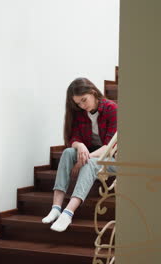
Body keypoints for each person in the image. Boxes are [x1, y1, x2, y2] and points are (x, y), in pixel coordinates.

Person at [42, 77, 117, 232]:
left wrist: (82, 160)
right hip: (92, 153)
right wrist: (80, 145)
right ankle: (56, 207)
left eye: (84, 100)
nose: (83, 106)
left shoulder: (111, 109)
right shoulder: (81, 112)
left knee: (89, 163)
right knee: (69, 152)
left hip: (113, 158)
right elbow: (74, 138)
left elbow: (109, 147)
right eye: (78, 103)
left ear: (93, 92)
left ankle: (68, 213)